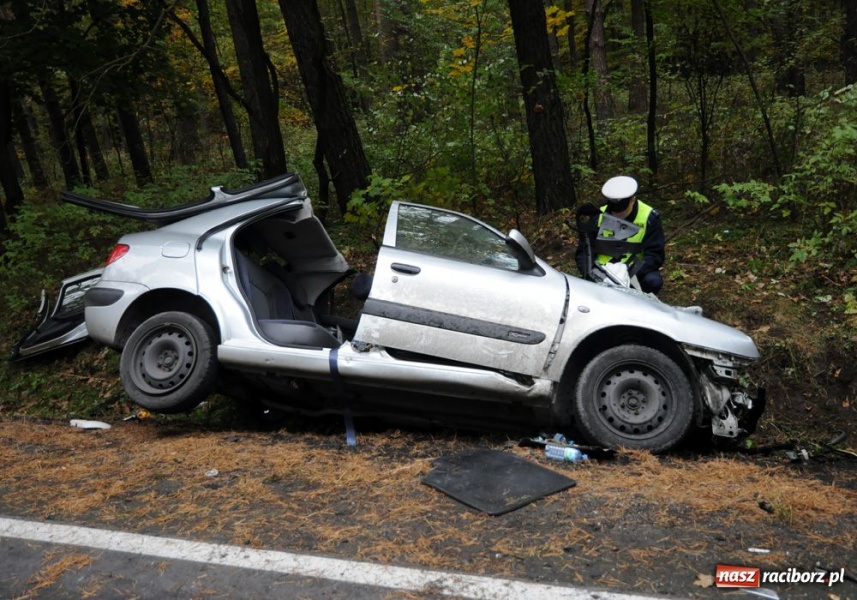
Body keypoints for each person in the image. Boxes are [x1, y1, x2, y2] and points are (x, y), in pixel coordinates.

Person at [575, 175, 665, 295]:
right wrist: (592, 273)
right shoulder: (597, 216)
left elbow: (655, 254)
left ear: (633, 199)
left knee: (653, 281)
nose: (618, 215)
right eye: (614, 211)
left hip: (634, 272)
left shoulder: (649, 218)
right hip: (601, 273)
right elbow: (583, 251)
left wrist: (627, 273)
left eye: (622, 211)